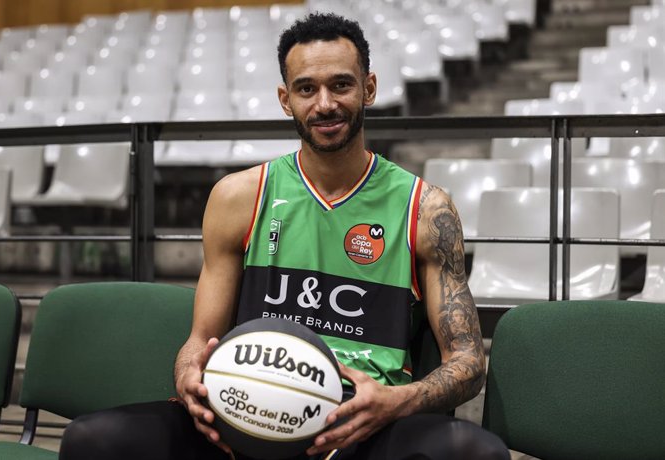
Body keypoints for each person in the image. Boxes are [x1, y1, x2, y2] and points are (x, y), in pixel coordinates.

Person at [60, 12, 510, 460]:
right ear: (285, 98)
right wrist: (188, 371)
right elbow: (200, 339)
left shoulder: (425, 208)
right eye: (306, 88)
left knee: (477, 453)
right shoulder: (239, 197)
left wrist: (397, 401)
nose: (325, 104)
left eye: (341, 85)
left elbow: (469, 363)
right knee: (93, 440)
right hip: (246, 421)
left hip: (362, 426)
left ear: (369, 88)